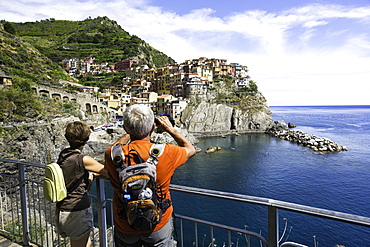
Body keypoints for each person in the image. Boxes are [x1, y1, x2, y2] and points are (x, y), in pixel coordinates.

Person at [105, 105, 196, 246]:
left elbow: (113, 148)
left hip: (125, 222)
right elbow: (190, 149)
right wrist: (169, 129)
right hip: (157, 222)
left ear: (125, 128)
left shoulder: (112, 155)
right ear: (153, 128)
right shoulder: (166, 152)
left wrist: (130, 131)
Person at [55, 121, 109, 247]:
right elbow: (109, 173)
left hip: (62, 207)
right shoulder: (82, 159)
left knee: (85, 243)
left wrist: (86, 178)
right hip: (76, 211)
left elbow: (72, 175)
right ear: (87, 138)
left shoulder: (63, 154)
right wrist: (92, 175)